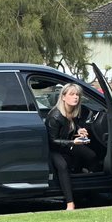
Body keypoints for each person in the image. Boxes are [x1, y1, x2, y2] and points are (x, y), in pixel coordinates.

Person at [46, 83, 97, 211]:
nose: (75, 97)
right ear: (63, 97)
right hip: (54, 149)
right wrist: (73, 143)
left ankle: (82, 177)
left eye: (77, 95)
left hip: (67, 145)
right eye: (72, 94)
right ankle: (70, 203)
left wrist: (79, 131)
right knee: (62, 166)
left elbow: (72, 126)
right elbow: (52, 141)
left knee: (91, 156)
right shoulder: (55, 116)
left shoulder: (72, 112)